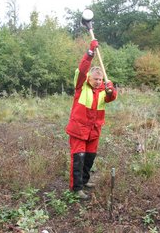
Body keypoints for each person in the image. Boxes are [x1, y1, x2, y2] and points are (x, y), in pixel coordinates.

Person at [66, 39, 118, 199]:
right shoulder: (81, 86)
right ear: (89, 78)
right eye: (95, 79)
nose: (97, 82)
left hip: (94, 130)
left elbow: (111, 98)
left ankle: (85, 180)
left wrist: (112, 91)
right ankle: (76, 188)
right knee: (79, 158)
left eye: (100, 79)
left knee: (89, 158)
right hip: (79, 129)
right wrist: (90, 53)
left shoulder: (104, 90)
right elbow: (82, 70)